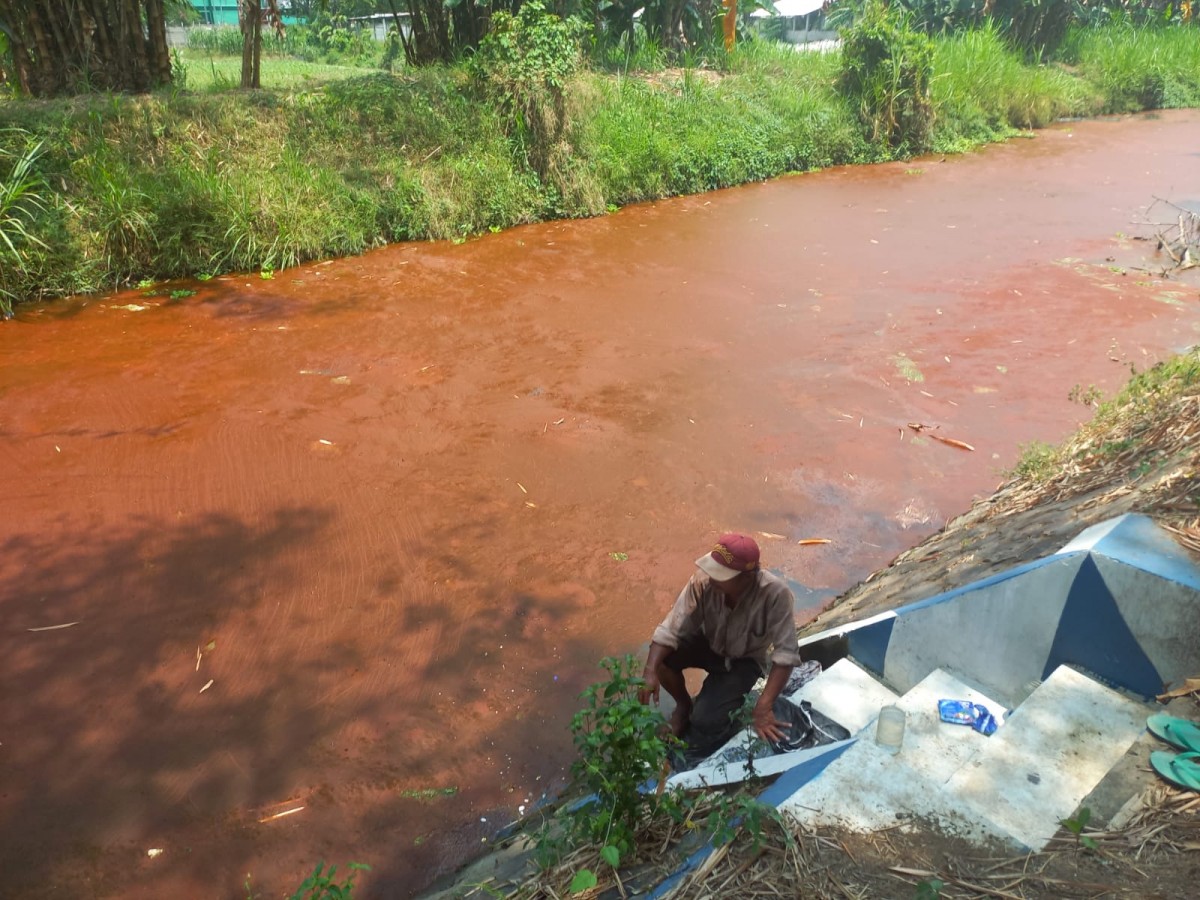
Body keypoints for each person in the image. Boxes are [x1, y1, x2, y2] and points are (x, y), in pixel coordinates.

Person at [638, 533, 802, 761]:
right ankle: (683, 706)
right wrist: (649, 671)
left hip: (744, 660)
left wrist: (764, 706)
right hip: (708, 644)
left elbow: (786, 655)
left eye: (721, 575)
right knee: (662, 661)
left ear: (747, 577)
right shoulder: (702, 581)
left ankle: (712, 702)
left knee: (706, 721)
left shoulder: (776, 595)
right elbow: (671, 629)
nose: (712, 576)